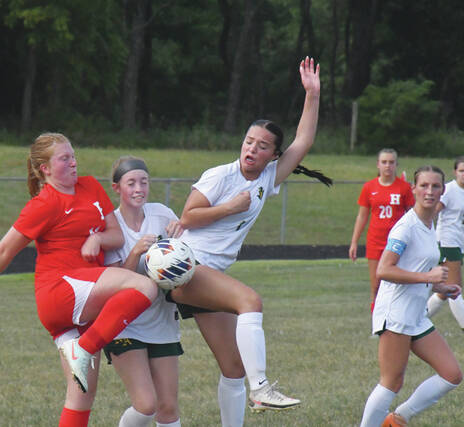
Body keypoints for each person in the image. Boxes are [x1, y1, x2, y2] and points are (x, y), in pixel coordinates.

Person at [162, 56, 331, 427]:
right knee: (250, 301)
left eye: (262, 145)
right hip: (188, 266)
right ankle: (262, 388)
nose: (252, 149)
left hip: (208, 273)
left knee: (232, 367)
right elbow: (188, 217)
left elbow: (303, 141)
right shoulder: (221, 176)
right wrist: (229, 207)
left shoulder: (267, 177)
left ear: (273, 154)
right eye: (248, 141)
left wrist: (312, 95)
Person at [0, 133, 159, 427]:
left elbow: (117, 236)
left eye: (73, 156)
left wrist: (97, 238)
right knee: (145, 285)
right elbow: (4, 249)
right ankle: (83, 348)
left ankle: (81, 349)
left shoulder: (89, 186)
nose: (74, 162)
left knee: (80, 396)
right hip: (60, 291)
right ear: (45, 169)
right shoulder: (44, 203)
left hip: (86, 299)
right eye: (64, 158)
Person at [359, 165, 462, 427]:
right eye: (424, 186)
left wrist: (440, 288)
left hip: (416, 314)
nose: (430, 191)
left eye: (435, 186)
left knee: (451, 374)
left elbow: (415, 269)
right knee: (392, 382)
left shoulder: (429, 225)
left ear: (443, 190)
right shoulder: (405, 227)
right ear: (413, 189)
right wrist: (428, 278)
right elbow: (384, 269)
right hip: (395, 313)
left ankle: (397, 419)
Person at [103, 156, 184, 427]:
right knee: (146, 405)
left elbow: (185, 257)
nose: (139, 189)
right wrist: (136, 251)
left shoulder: (162, 214)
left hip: (162, 321)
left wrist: (180, 237)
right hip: (125, 325)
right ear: (117, 188)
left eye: (144, 182)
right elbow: (113, 283)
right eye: (131, 183)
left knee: (168, 406)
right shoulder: (110, 225)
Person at [349, 148, 414, 313]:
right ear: (378, 164)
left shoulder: (404, 188)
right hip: (375, 242)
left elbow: (413, 215)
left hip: (398, 243)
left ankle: (397, 320)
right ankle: (377, 324)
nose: (388, 166)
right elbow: (362, 216)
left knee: (399, 284)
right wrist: (354, 242)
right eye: (384, 162)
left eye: (391, 162)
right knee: (376, 285)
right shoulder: (369, 187)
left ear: (396, 165)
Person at [426, 156, 464, 328]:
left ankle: (416, 318)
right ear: (455, 172)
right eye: (462, 171)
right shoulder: (449, 190)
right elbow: (433, 211)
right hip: (448, 240)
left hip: (459, 242)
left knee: (444, 292)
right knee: (455, 287)